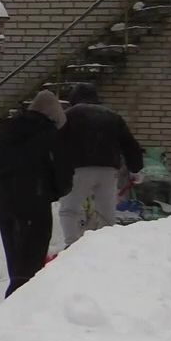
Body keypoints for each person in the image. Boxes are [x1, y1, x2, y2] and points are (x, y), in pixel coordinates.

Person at [0, 89, 72, 297]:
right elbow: (63, 172)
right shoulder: (49, 134)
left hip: (1, 199)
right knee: (31, 260)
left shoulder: (6, 130)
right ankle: (18, 308)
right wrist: (54, 191)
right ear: (54, 116)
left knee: (15, 256)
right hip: (33, 200)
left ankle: (18, 302)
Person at [55, 82, 144, 247]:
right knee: (106, 211)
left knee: (69, 209)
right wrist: (135, 168)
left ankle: (71, 245)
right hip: (108, 170)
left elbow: (55, 142)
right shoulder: (112, 116)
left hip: (78, 169)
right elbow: (130, 144)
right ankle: (106, 247)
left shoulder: (69, 115)